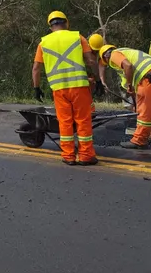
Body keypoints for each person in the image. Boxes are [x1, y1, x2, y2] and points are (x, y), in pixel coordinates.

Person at [32, 11, 100, 165]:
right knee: (83, 121)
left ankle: (68, 156)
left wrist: (36, 88)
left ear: (50, 27)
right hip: (79, 88)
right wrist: (99, 80)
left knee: (65, 122)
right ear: (66, 23)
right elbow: (91, 60)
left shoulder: (43, 43)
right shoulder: (77, 37)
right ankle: (86, 156)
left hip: (59, 89)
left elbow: (36, 69)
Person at [98, 44, 151, 148]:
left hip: (149, 78)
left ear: (106, 57)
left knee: (144, 112)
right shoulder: (126, 51)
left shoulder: (114, 55)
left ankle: (139, 140)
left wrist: (130, 84)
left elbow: (127, 66)